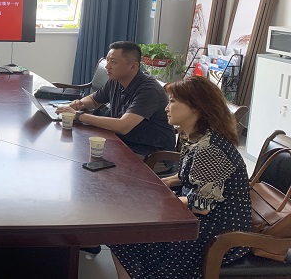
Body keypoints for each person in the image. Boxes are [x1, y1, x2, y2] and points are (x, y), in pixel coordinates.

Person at [108, 75, 252, 278]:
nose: (166, 107)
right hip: (202, 217)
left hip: (218, 231)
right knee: (127, 227)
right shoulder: (195, 136)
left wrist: (160, 200)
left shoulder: (209, 149)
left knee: (128, 234)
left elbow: (202, 205)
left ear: (195, 107)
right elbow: (189, 175)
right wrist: (157, 184)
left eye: (173, 101)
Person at [56, 41, 176, 157]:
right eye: (107, 60)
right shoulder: (115, 80)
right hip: (122, 142)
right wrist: (79, 104)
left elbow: (123, 126)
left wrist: (78, 115)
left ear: (133, 66)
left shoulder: (149, 91)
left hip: (150, 153)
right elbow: (94, 100)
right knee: (78, 147)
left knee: (86, 154)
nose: (107, 66)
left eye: (113, 62)